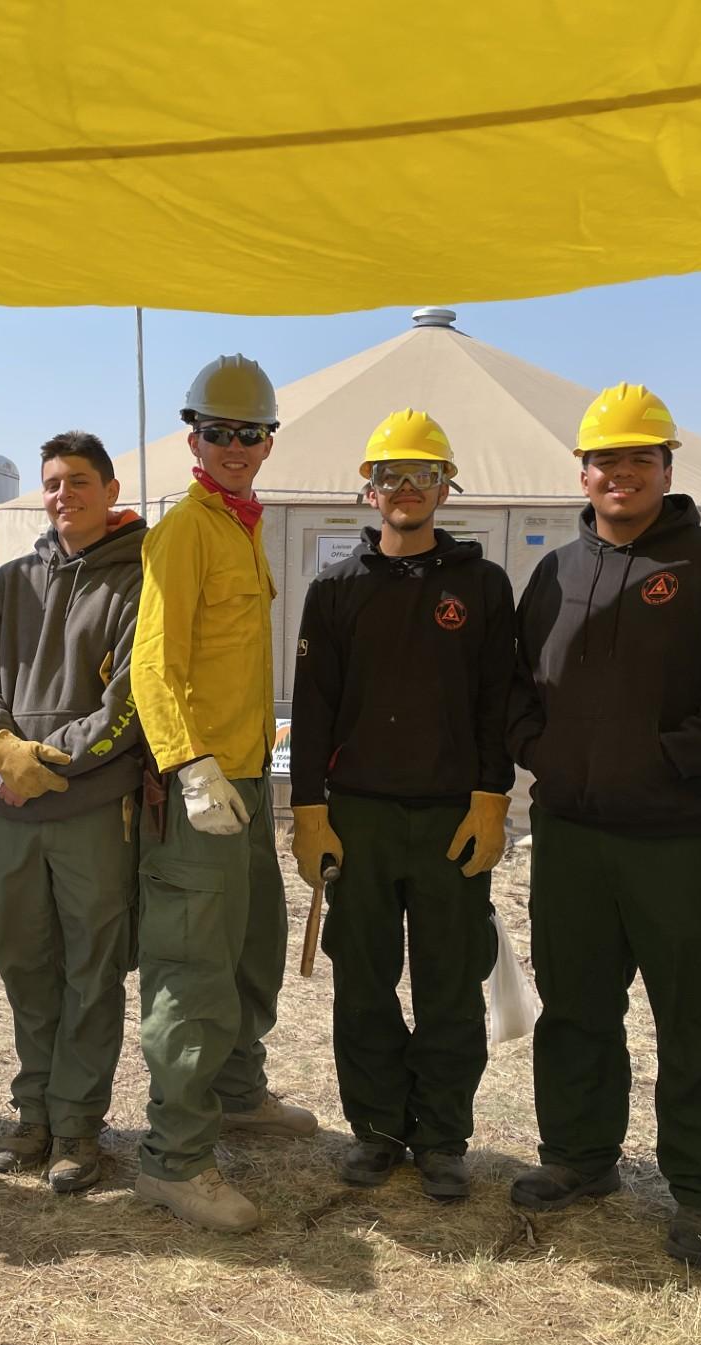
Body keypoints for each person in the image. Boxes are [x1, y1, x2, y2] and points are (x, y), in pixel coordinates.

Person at [507, 383, 701, 1266]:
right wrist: (539, 753)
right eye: (605, 460)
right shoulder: (556, 570)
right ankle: (581, 1159)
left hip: (679, 839)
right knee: (576, 1004)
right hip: (572, 836)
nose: (620, 474)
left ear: (666, 468)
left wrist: (674, 757)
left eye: (639, 459)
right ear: (582, 473)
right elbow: (516, 682)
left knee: (700, 1015)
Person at [289, 409, 514, 1201]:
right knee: (366, 981)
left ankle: (443, 1136)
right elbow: (312, 706)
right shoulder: (337, 587)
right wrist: (308, 809)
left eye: (423, 475)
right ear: (369, 490)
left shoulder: (482, 585)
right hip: (362, 818)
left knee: (451, 983)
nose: (407, 489)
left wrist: (494, 795)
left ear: (447, 486)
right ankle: (378, 1131)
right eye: (392, 476)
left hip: (452, 812)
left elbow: (498, 699)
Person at [129, 353, 317, 1234]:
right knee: (193, 971)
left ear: (269, 442)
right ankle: (174, 1159)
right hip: (202, 783)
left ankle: (237, 1093)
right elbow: (152, 666)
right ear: (192, 436)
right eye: (219, 432)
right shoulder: (187, 530)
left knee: (253, 948)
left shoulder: (244, 525)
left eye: (250, 433)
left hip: (243, 778)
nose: (235, 446)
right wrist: (189, 766)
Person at [0, 431, 146, 1194]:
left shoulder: (138, 582)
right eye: (54, 482)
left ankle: (77, 1127)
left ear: (110, 488)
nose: (65, 495)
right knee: (24, 966)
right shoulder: (8, 585)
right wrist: (3, 752)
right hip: (8, 811)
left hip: (91, 809)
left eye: (79, 481)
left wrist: (44, 765)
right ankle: (32, 1115)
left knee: (92, 971)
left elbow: (128, 705)